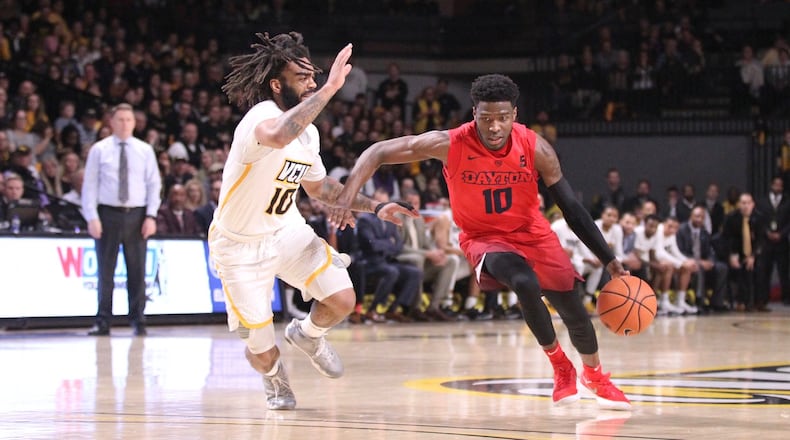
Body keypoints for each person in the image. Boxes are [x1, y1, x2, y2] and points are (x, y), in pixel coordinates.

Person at [332, 74, 631, 410]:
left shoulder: (536, 148)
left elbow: (572, 209)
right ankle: (561, 366)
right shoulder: (450, 143)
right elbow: (377, 151)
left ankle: (594, 374)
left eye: (502, 118)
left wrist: (609, 259)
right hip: (485, 238)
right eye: (486, 118)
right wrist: (347, 194)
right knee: (523, 281)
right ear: (474, 113)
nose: (493, 127)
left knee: (575, 311)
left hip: (533, 232)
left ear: (514, 116)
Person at [208, 33, 416, 411]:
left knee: (343, 299)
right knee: (259, 344)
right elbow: (279, 134)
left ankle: (307, 334)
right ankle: (273, 379)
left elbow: (321, 188)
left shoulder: (311, 133)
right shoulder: (263, 116)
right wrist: (333, 88)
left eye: (314, 77)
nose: (312, 84)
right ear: (277, 84)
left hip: (286, 230)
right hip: (239, 245)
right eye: (302, 78)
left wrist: (374, 207)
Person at [81, 103, 162, 337]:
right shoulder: (99, 149)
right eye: (120, 120)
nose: (125, 123)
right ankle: (103, 320)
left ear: (134, 123)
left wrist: (151, 215)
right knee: (105, 272)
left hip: (137, 215)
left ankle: (138, 320)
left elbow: (154, 184)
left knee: (137, 271)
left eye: (129, 120)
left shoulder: (145, 150)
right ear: (112, 122)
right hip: (107, 214)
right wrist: (92, 217)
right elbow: (90, 185)